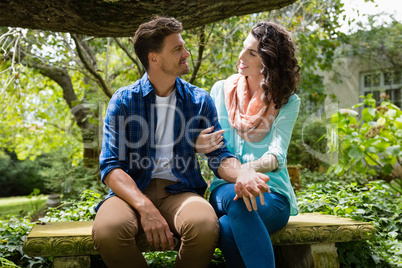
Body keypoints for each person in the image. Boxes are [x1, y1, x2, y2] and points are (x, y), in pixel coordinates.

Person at [91, 16, 269, 268]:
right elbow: (110, 167)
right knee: (109, 231)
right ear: (154, 58)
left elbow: (219, 156)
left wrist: (242, 173)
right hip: (131, 194)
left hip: (180, 192)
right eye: (177, 49)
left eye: (184, 46)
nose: (186, 53)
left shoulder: (199, 100)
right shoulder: (123, 101)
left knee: (205, 225)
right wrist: (146, 208)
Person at [196, 21, 301, 268]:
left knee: (226, 227)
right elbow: (211, 148)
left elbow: (277, 154)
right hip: (226, 188)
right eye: (244, 48)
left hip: (272, 194)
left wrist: (249, 168)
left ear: (269, 61)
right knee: (237, 199)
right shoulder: (220, 90)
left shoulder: (287, 101)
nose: (241, 56)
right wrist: (198, 144)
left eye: (252, 53)